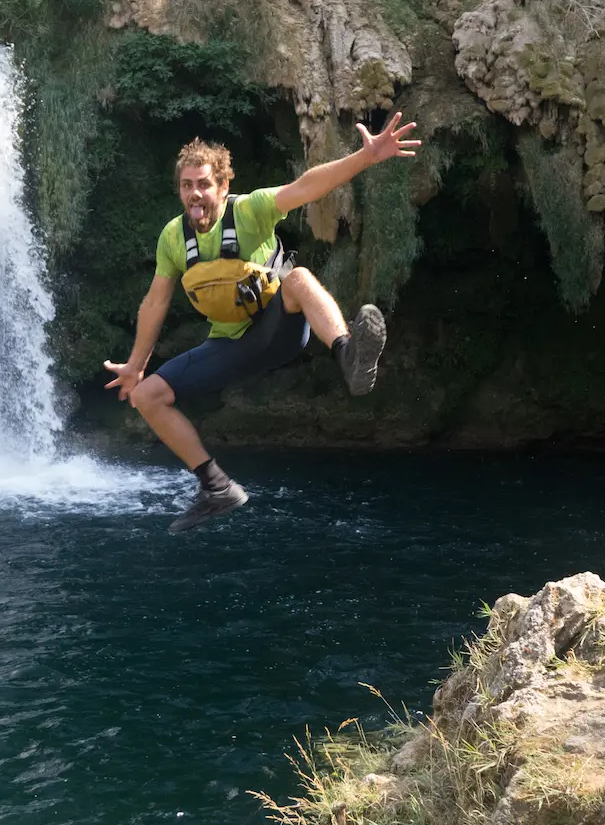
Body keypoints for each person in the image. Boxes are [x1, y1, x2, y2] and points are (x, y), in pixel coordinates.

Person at [103, 113, 421, 533]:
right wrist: (135, 365)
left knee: (298, 277)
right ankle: (217, 488)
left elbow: (306, 187)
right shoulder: (173, 237)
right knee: (147, 396)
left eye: (204, 184)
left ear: (223, 186)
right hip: (231, 346)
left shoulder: (250, 210)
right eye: (186, 185)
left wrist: (364, 158)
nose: (195, 193)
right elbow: (155, 302)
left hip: (277, 329)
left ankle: (349, 358)